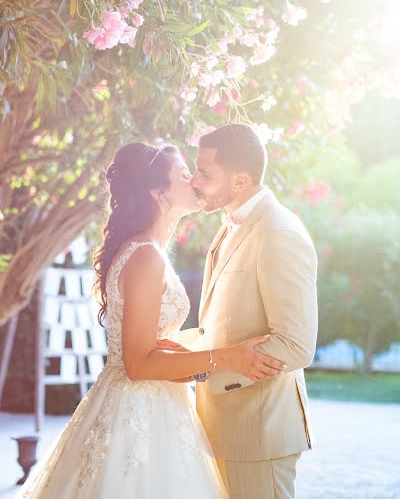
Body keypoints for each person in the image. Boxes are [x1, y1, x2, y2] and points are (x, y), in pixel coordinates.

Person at [16, 141, 286, 499]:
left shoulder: (147, 251)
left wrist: (187, 359)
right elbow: (139, 365)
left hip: (156, 403)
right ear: (160, 193)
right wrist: (227, 358)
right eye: (183, 175)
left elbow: (147, 346)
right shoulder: (145, 257)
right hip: (138, 412)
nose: (194, 181)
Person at [190, 124, 318, 499]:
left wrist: (210, 367)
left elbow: (295, 344)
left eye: (205, 174)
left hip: (260, 433)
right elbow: (221, 323)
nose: (195, 180)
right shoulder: (229, 227)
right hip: (222, 426)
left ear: (240, 180)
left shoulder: (279, 231)